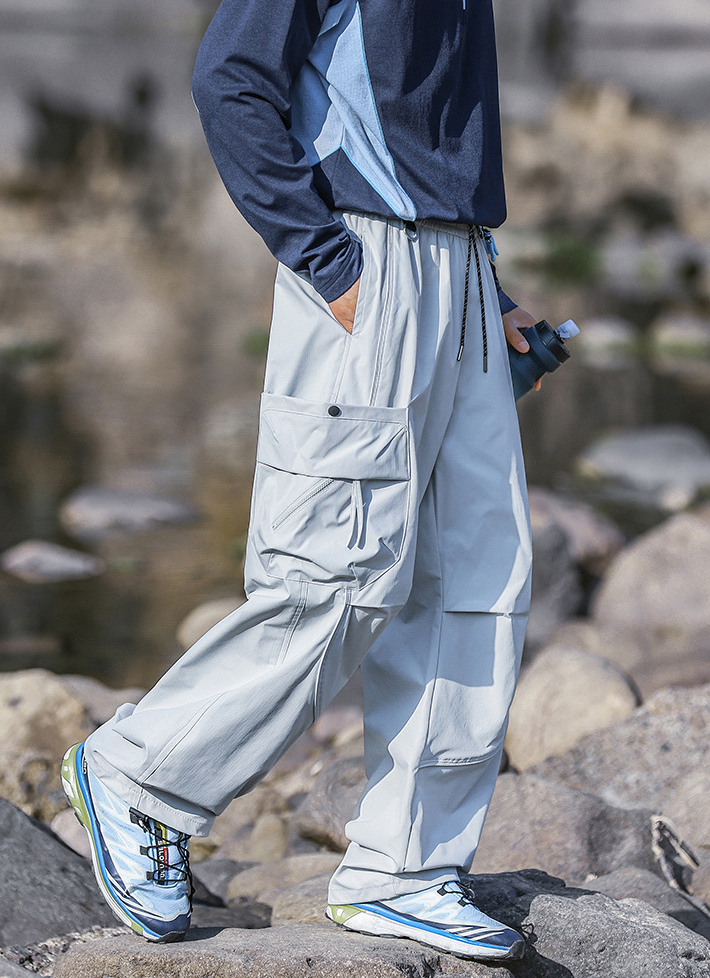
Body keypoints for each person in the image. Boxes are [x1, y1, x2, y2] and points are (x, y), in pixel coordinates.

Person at [61, 0, 538, 962]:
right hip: (366, 265)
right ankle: (138, 778)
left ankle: (406, 868)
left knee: (474, 584)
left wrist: (485, 292)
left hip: (460, 266)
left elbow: (426, 120)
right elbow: (230, 81)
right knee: (333, 577)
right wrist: (330, 263)